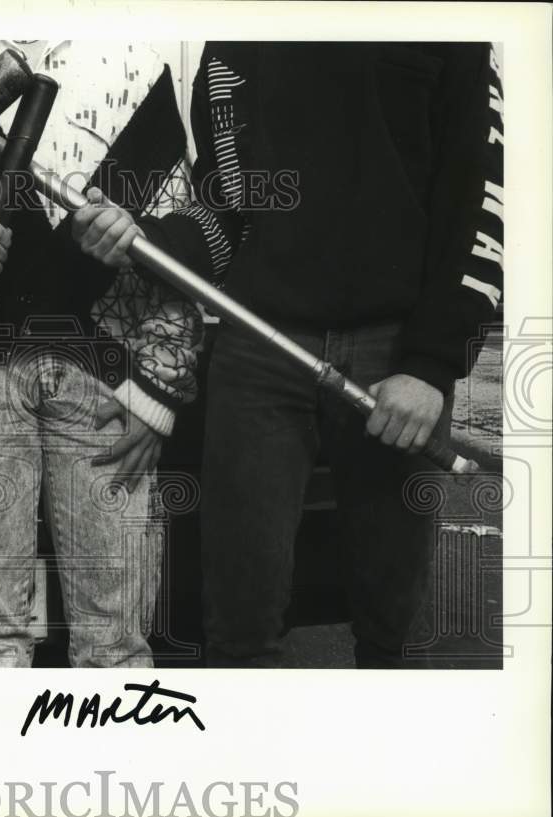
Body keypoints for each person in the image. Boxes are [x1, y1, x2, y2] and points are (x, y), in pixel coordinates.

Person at [79, 42, 504, 668]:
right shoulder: (232, 49)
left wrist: (430, 365)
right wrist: (147, 239)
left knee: (393, 621)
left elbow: (481, 201)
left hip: (397, 354)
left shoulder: (450, 30)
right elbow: (227, 211)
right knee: (239, 620)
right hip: (259, 346)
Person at [0, 39, 203, 667]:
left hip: (111, 382)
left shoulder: (140, 58)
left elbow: (179, 242)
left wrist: (159, 385)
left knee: (116, 646)